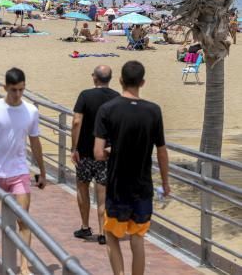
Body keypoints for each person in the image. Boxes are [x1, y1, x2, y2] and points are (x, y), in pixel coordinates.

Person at [94, 61, 170, 275]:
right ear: (142, 82)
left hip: (118, 186)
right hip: (143, 186)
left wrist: (112, 150)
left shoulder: (107, 110)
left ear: (120, 80)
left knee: (110, 235)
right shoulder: (153, 111)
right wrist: (165, 183)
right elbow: (162, 151)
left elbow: (98, 153)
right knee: (138, 240)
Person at [0, 68, 46, 275]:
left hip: (19, 172)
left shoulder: (31, 111)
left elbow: (35, 142)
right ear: (5, 87)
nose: (17, 94)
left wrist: (42, 171)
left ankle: (24, 265)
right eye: (14, 90)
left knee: (23, 219)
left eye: (21, 90)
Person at [72, 66, 119, 245]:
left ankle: (85, 227)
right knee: (103, 194)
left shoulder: (85, 95)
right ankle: (103, 232)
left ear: (94, 78)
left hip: (84, 153)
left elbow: (77, 121)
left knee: (82, 189)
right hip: (105, 154)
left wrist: (73, 148)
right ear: (110, 78)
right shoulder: (117, 98)